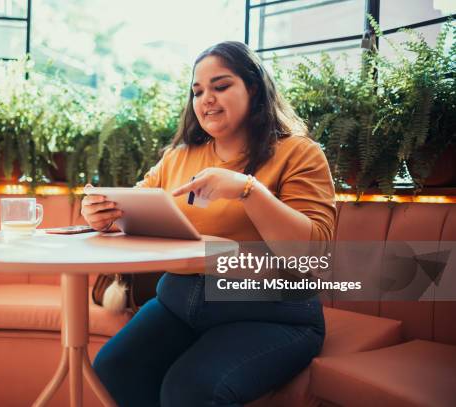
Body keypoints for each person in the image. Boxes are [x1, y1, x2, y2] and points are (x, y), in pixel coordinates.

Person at [80, 41, 336, 407]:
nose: (206, 99)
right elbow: (131, 207)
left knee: (189, 391)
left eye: (221, 86)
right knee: (114, 367)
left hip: (273, 314)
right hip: (177, 305)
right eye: (197, 91)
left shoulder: (299, 153)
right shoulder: (179, 157)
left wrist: (249, 190)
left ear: (254, 88)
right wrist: (102, 215)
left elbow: (312, 253)